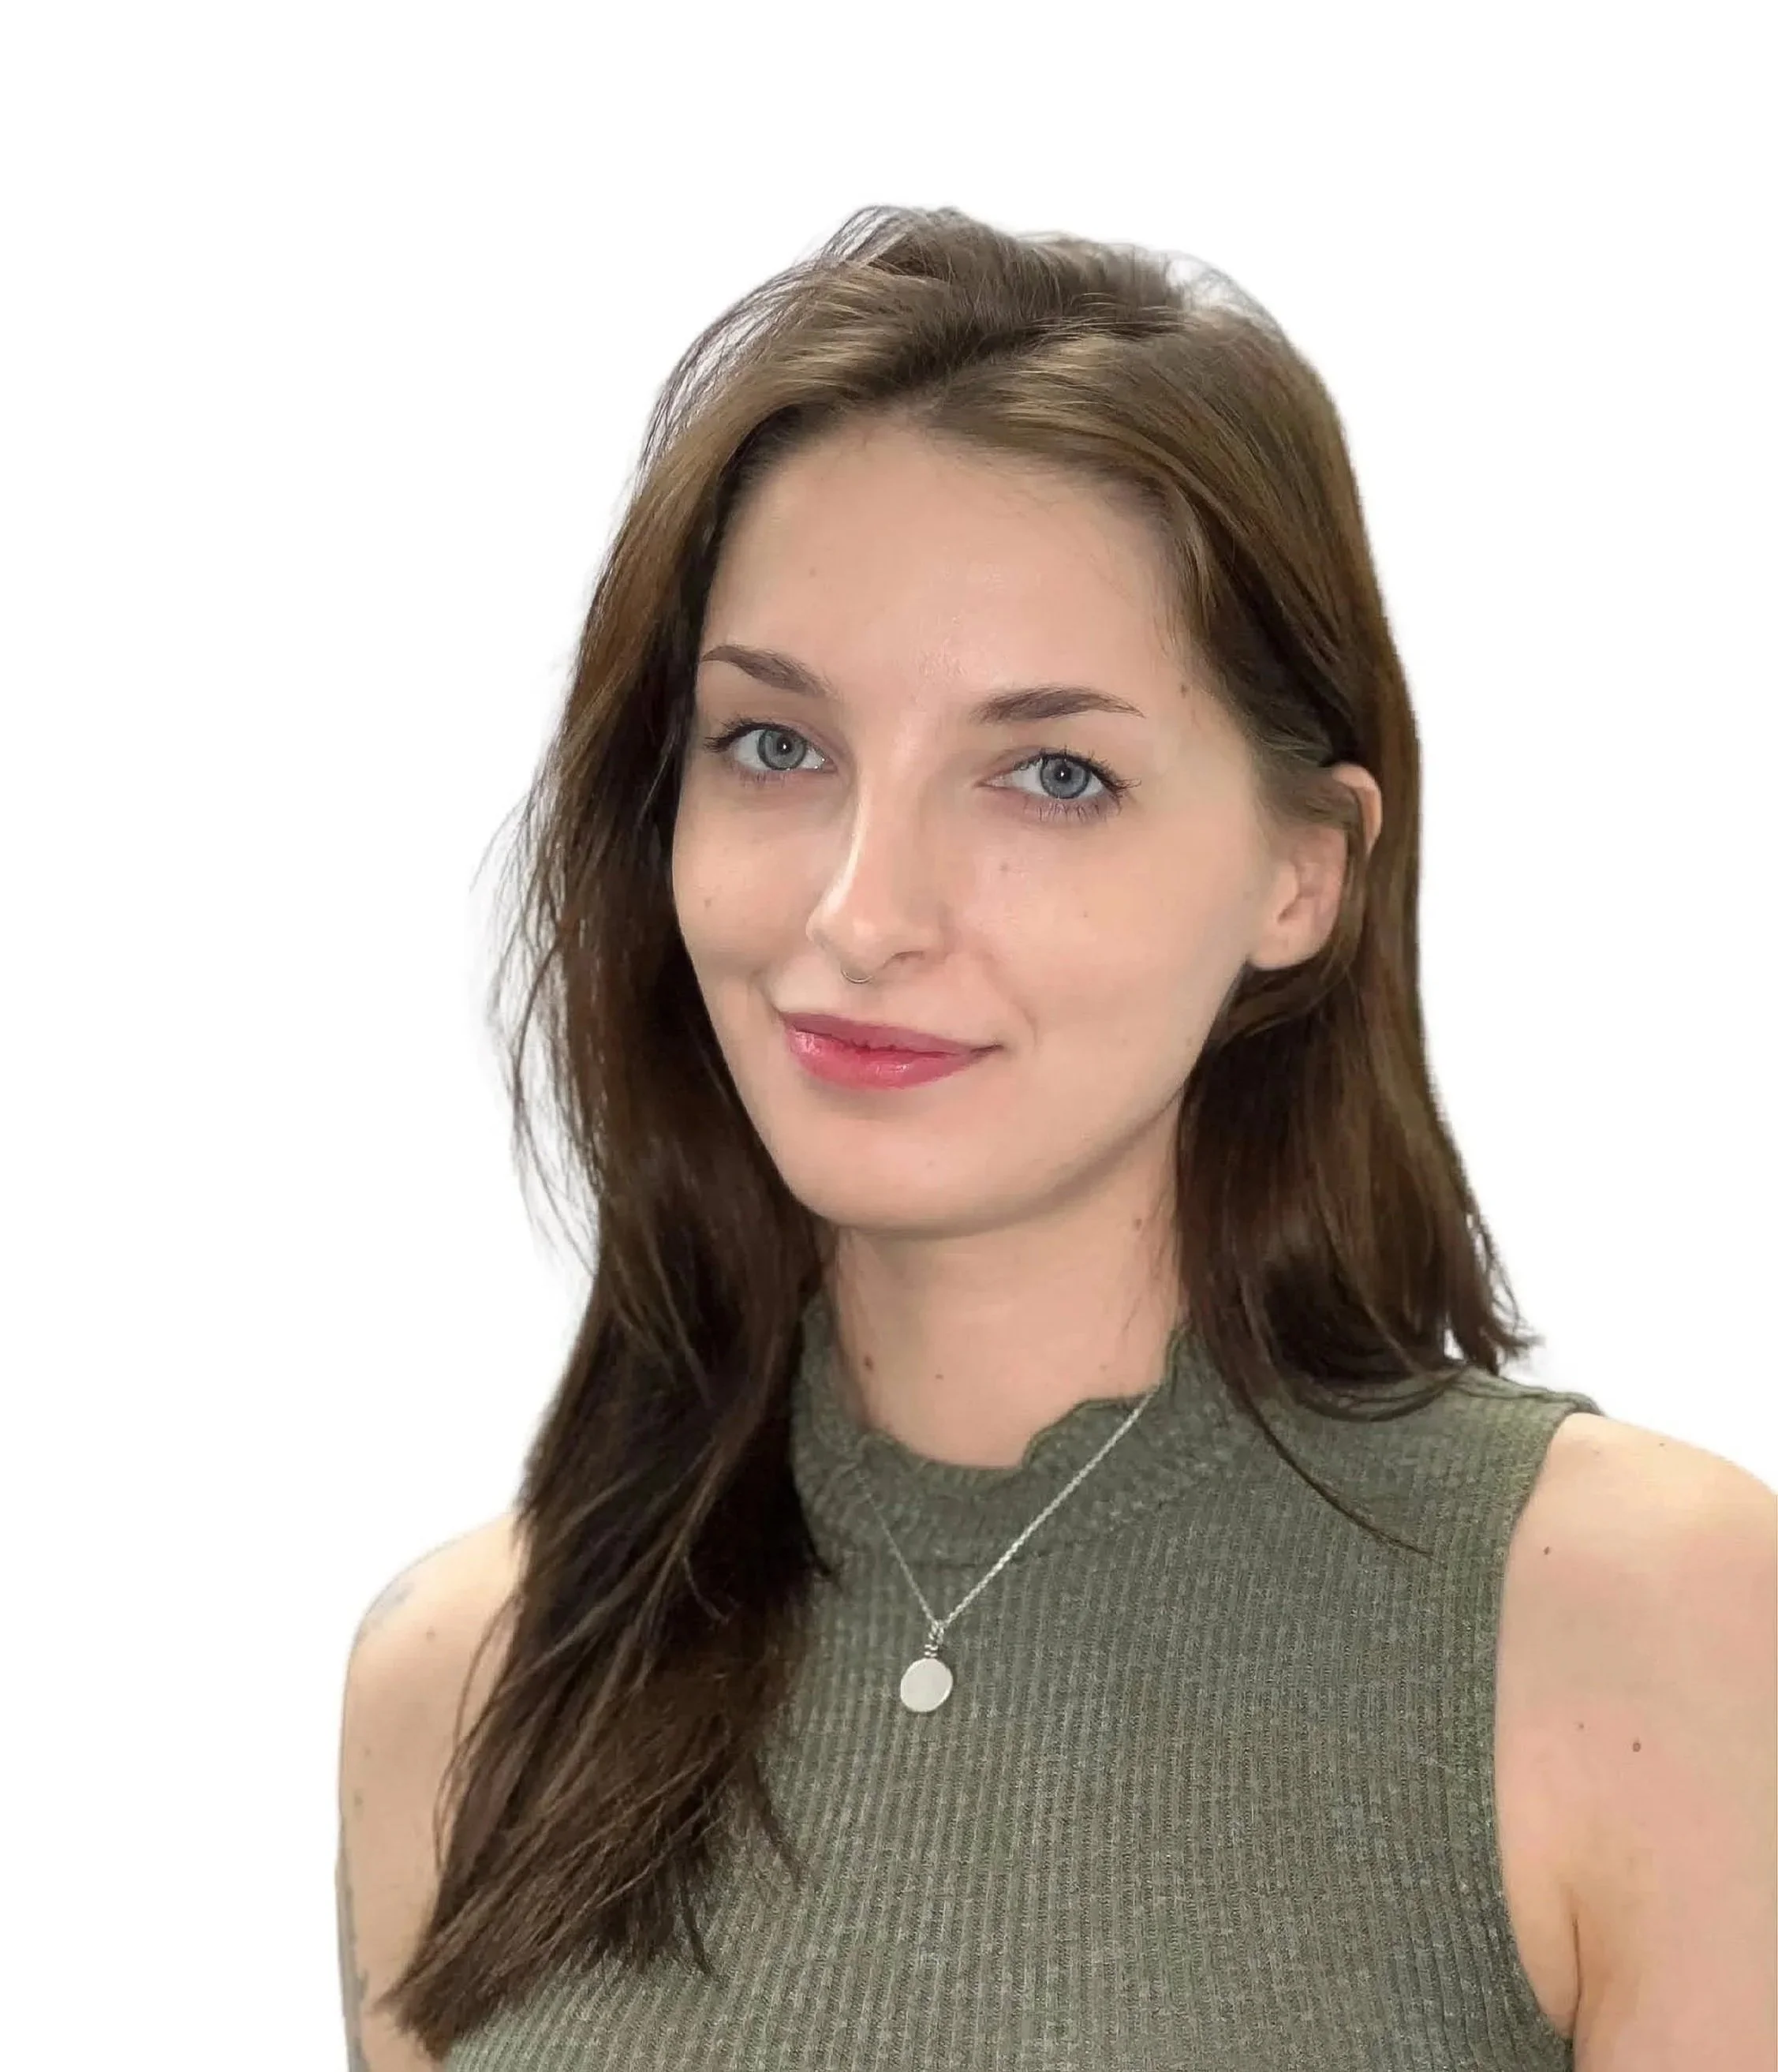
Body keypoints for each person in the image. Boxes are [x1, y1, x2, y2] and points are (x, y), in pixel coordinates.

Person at [336, 204, 1777, 2071]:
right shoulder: (465, 1686)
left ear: (1298, 873)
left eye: (1051, 774)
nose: (863, 911)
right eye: (775, 745)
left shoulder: (1641, 1630)